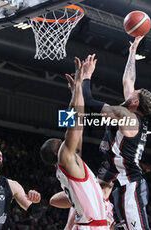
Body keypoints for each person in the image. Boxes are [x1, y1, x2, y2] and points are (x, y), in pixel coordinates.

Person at [81, 36, 151, 230]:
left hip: (131, 185)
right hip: (121, 182)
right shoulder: (132, 117)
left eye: (134, 92)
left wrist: (86, 76)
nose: (130, 90)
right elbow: (128, 80)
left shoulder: (126, 116)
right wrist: (132, 52)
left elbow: (88, 101)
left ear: (136, 102)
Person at [39, 57, 108, 229]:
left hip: (89, 224)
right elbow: (72, 123)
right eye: (60, 142)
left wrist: (76, 92)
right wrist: (78, 84)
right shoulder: (65, 157)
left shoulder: (70, 160)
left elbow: (79, 124)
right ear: (57, 152)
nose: (63, 140)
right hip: (91, 226)